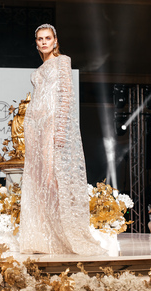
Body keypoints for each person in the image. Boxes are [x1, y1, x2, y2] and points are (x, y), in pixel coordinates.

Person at [19, 24, 105, 255]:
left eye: (47, 38)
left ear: (55, 41)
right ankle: (43, 237)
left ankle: (64, 232)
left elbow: (66, 94)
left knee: (51, 178)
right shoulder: (39, 69)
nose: (44, 42)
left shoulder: (62, 61)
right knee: (37, 181)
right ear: (36, 43)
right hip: (34, 126)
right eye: (40, 39)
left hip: (51, 124)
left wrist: (60, 130)